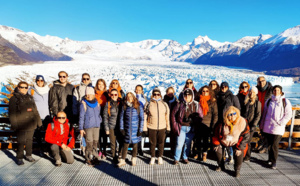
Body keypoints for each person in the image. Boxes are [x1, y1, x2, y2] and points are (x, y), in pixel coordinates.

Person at [9, 81, 42, 165]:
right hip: (21, 123)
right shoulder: (14, 98)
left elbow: (35, 111)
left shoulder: (30, 97)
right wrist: (14, 124)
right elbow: (12, 113)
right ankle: (19, 157)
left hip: (31, 123)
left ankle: (28, 155)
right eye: (22, 87)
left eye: (26, 87)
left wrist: (39, 122)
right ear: (18, 88)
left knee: (29, 140)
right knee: (21, 141)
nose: (24, 89)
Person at [259, 85, 292, 169]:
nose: (276, 92)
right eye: (274, 90)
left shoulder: (285, 101)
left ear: (281, 92)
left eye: (278, 90)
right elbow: (264, 114)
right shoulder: (269, 101)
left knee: (274, 145)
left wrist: (281, 123)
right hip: (268, 126)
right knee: (269, 144)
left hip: (278, 127)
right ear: (272, 91)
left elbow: (288, 114)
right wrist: (262, 125)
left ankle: (274, 162)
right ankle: (269, 159)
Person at [212, 106, 250, 177]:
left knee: (239, 152)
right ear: (226, 116)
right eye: (230, 114)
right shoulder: (221, 122)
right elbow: (215, 133)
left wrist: (239, 147)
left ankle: (237, 170)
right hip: (223, 140)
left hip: (236, 141)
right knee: (217, 150)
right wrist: (216, 143)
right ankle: (221, 165)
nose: (232, 116)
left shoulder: (242, 121)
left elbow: (246, 136)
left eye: (234, 113)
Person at [171, 89, 202, 165]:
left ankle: (185, 157)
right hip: (181, 127)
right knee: (179, 143)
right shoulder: (179, 104)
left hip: (191, 127)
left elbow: (200, 115)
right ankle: (176, 158)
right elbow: (173, 115)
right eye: (186, 95)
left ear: (192, 96)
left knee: (187, 144)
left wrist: (196, 123)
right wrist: (175, 125)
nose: (187, 96)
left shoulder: (196, 104)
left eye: (189, 95)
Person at [143, 87, 170, 165]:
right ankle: (152, 157)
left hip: (162, 127)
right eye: (154, 94)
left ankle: (160, 156)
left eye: (158, 94)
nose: (156, 96)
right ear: (152, 95)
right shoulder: (148, 104)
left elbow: (167, 117)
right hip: (151, 127)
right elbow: (145, 117)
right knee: (152, 143)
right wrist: (145, 128)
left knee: (161, 142)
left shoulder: (164, 104)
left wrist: (168, 127)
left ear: (160, 95)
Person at [118, 92, 144, 167]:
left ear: (133, 97)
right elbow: (121, 118)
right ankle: (123, 160)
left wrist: (140, 130)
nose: (129, 98)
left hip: (135, 129)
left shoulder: (138, 106)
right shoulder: (124, 106)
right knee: (125, 145)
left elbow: (142, 119)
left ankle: (134, 159)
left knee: (135, 145)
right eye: (128, 97)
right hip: (127, 129)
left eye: (131, 96)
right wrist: (121, 128)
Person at [194, 85, 218, 162]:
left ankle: (204, 154)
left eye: (207, 91)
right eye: (203, 91)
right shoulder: (198, 101)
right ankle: (198, 153)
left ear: (209, 92)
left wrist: (213, 125)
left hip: (207, 124)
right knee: (197, 139)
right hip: (198, 123)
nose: (205, 92)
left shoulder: (212, 102)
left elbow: (215, 114)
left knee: (205, 140)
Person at [28, 75, 51, 156]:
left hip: (47, 115)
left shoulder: (48, 90)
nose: (40, 82)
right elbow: (28, 101)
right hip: (36, 115)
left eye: (41, 80)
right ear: (36, 81)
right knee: (37, 133)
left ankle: (48, 149)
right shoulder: (32, 90)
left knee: (48, 133)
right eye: (38, 80)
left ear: (44, 81)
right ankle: (41, 149)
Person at [79, 87, 102, 166]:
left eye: (90, 93)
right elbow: (81, 117)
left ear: (93, 94)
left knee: (95, 142)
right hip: (88, 126)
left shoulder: (97, 103)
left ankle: (95, 157)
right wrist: (81, 128)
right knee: (89, 143)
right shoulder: (83, 104)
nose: (89, 95)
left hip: (96, 126)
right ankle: (88, 158)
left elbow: (99, 114)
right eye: (87, 94)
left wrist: (99, 121)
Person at [103, 88, 123, 163]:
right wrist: (106, 128)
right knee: (113, 143)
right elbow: (105, 117)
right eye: (112, 94)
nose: (114, 96)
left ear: (118, 95)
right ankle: (114, 157)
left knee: (121, 142)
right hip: (111, 126)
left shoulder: (121, 103)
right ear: (110, 95)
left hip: (120, 126)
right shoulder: (107, 104)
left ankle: (120, 155)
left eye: (115, 94)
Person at [242, 86, 261, 162]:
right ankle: (243, 155)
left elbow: (258, 115)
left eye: (253, 92)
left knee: (248, 141)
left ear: (255, 93)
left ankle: (247, 156)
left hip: (251, 124)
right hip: (244, 124)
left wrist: (254, 125)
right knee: (243, 140)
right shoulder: (246, 101)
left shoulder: (257, 102)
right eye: (250, 91)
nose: (251, 93)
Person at [256, 76, 273, 153]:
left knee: (266, 131)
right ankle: (261, 144)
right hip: (259, 113)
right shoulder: (256, 89)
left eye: (263, 81)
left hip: (268, 113)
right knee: (261, 130)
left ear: (265, 81)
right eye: (259, 81)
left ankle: (265, 146)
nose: (261, 82)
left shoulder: (271, 89)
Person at [95, 79, 109, 160]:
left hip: (105, 116)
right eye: (99, 84)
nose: (100, 86)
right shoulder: (94, 94)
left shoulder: (106, 94)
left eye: (102, 84)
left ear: (104, 85)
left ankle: (104, 151)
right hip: (97, 116)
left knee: (104, 134)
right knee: (99, 134)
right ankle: (100, 150)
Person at [163, 87, 179, 157]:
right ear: (166, 93)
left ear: (174, 92)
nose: (170, 94)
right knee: (163, 138)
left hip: (173, 122)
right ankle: (161, 153)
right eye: (169, 92)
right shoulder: (163, 102)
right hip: (164, 122)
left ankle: (172, 152)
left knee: (173, 139)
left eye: (171, 92)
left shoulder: (176, 102)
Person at [135, 84, 147, 156]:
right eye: (137, 89)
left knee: (140, 134)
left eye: (139, 90)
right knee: (135, 134)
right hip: (134, 119)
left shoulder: (144, 99)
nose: (138, 91)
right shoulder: (133, 97)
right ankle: (136, 149)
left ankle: (140, 148)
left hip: (141, 118)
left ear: (142, 91)